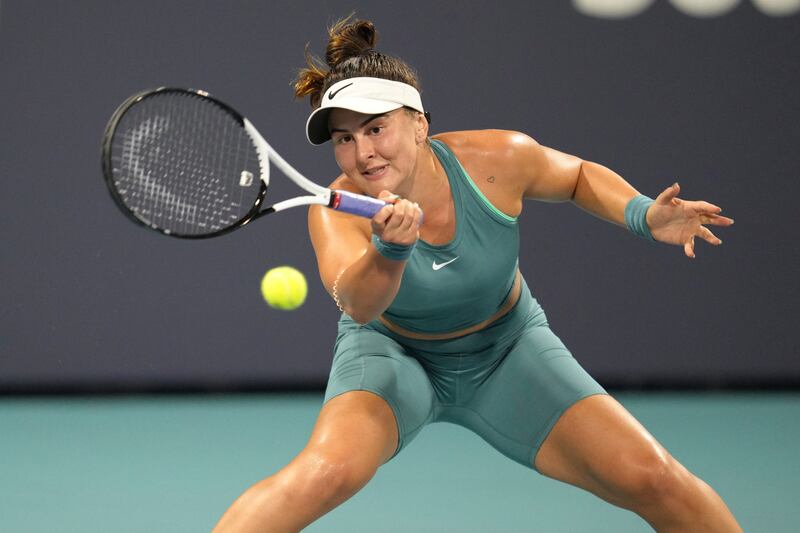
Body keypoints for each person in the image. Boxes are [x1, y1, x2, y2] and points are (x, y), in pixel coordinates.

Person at [213, 17, 740, 533]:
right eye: (345, 138)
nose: (363, 152)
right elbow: (359, 304)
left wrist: (643, 214)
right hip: (392, 358)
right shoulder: (334, 210)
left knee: (654, 479)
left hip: (508, 348)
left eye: (376, 128)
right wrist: (390, 252)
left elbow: (577, 176)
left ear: (419, 124)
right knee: (323, 476)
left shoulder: (496, 159)